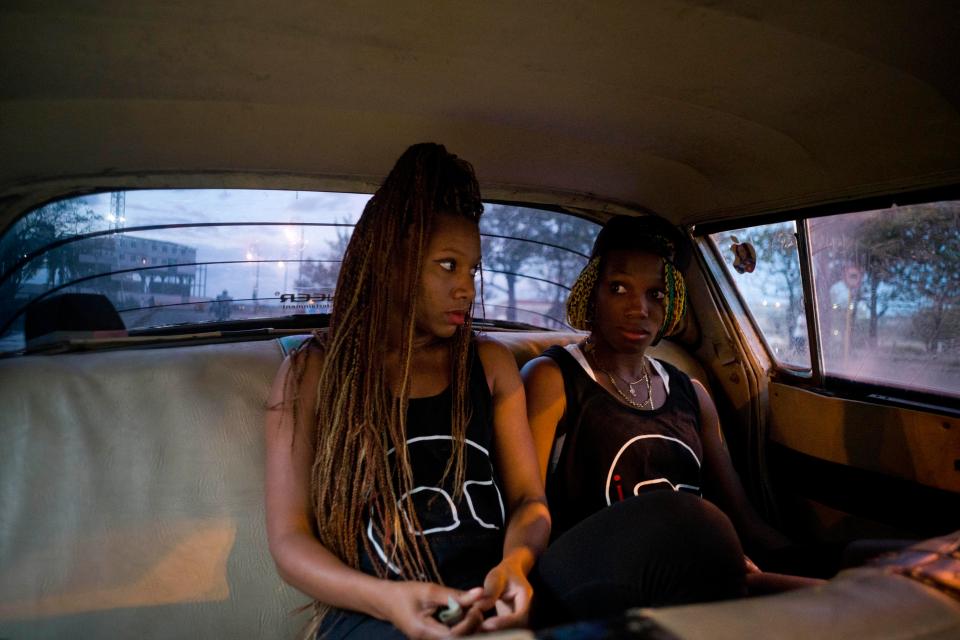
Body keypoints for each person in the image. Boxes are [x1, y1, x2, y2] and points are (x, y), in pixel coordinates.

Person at [265, 143, 550, 639]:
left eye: (473, 269)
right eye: (447, 265)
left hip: (489, 596)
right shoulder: (313, 372)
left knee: (673, 528)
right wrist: (388, 600)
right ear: (393, 262)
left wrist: (516, 565)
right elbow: (289, 541)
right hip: (375, 610)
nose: (467, 287)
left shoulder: (488, 364)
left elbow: (529, 499)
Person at [522, 215, 821, 626]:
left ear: (671, 305)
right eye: (619, 288)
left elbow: (745, 520)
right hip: (585, 578)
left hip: (698, 570)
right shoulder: (553, 378)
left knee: (868, 565)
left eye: (656, 294)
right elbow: (524, 505)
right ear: (593, 293)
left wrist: (815, 563)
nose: (638, 308)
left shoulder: (691, 394)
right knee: (693, 520)